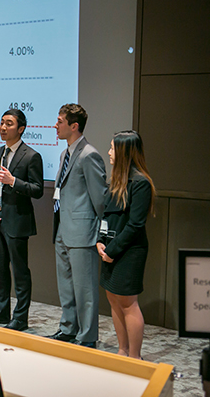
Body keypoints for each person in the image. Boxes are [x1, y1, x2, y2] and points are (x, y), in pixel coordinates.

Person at [0, 109, 44, 331]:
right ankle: (0, 312)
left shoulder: (31, 156)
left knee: (20, 272)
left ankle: (20, 318)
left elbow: (37, 190)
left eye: (9, 124)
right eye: (1, 123)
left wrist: (13, 181)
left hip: (17, 222)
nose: (3, 128)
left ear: (21, 128)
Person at [48, 103, 107, 348]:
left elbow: (101, 200)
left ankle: (87, 336)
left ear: (74, 126)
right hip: (63, 228)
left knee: (85, 290)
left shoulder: (89, 154)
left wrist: (100, 234)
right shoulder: (65, 154)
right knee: (66, 286)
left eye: (60, 121)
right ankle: (68, 328)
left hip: (83, 232)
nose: (55, 125)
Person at [96, 130, 155, 359]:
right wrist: (101, 241)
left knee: (128, 303)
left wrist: (111, 250)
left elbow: (135, 226)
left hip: (129, 251)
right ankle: (123, 350)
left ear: (124, 152)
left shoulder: (141, 183)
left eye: (112, 148)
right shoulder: (116, 181)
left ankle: (135, 356)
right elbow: (107, 216)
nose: (109, 152)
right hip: (111, 249)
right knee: (113, 298)